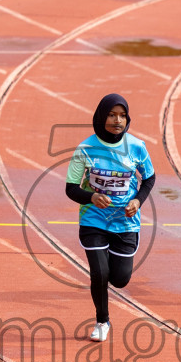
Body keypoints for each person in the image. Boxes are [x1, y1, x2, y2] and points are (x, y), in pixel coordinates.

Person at [65, 94, 155, 343]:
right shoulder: (85, 149)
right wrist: (91, 197)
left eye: (122, 115)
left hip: (125, 222)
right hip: (93, 219)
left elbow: (149, 178)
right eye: (112, 115)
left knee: (120, 279)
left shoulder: (136, 146)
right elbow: (71, 188)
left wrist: (137, 201)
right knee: (100, 272)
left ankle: (111, 285)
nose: (118, 120)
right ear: (101, 117)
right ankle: (102, 321)